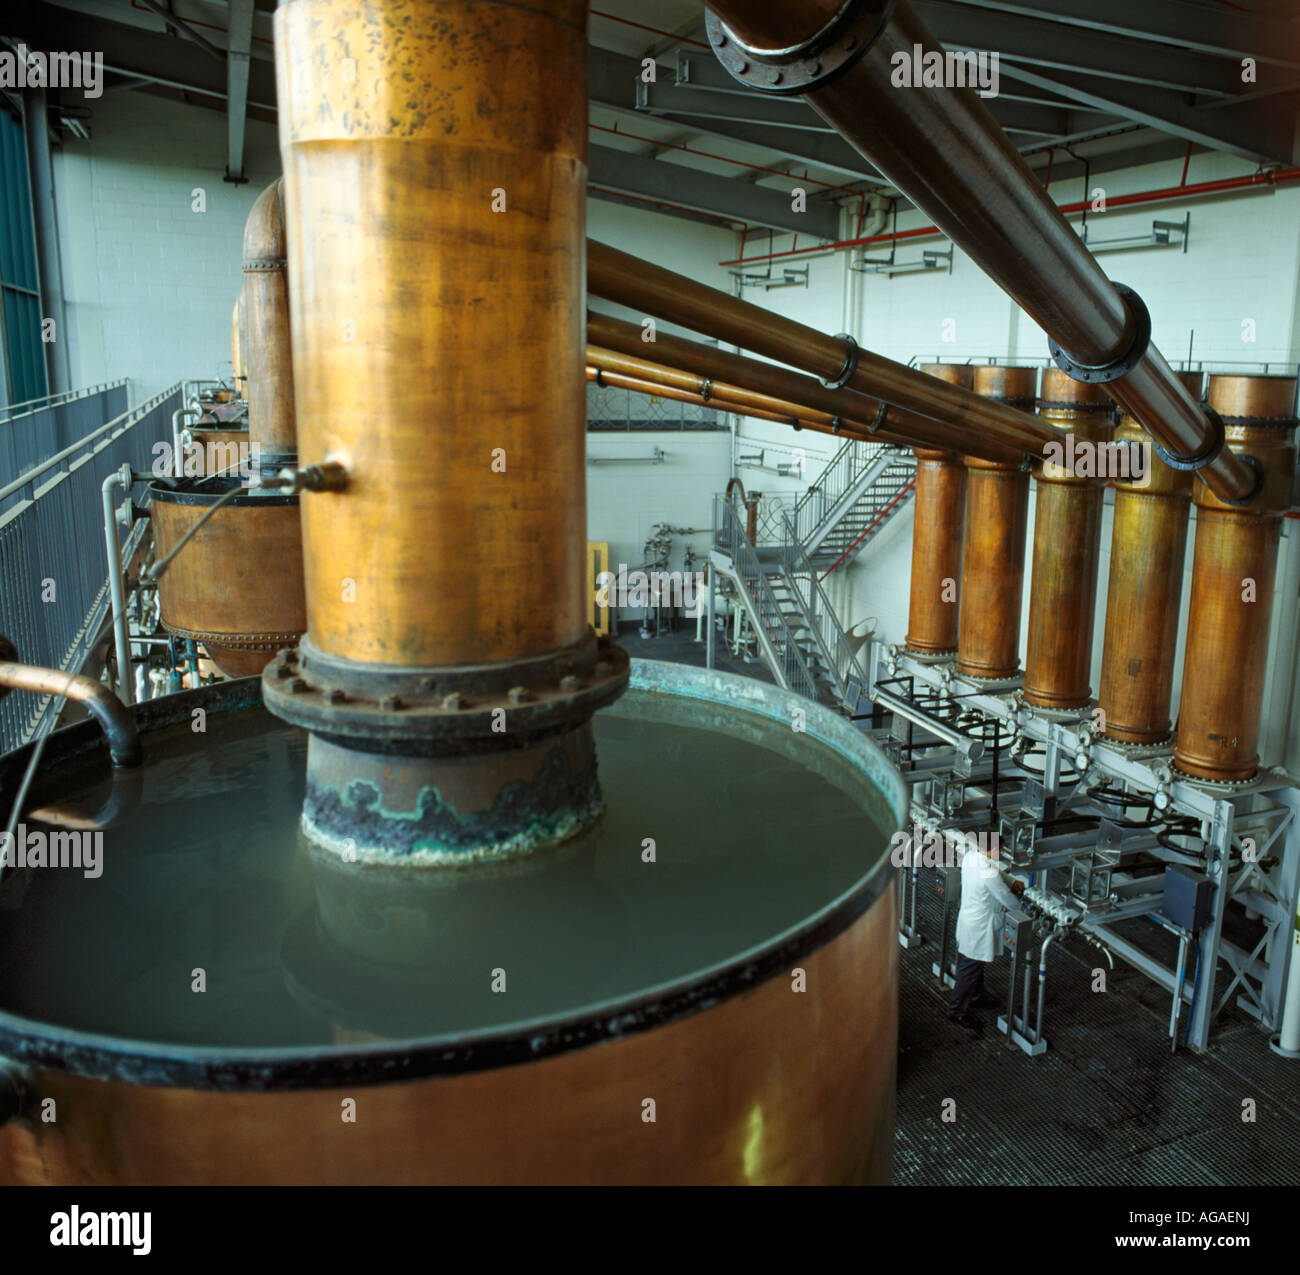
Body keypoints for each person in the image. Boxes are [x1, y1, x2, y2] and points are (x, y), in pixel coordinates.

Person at [948, 833, 1024, 1034]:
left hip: (969, 921)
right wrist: (1025, 910)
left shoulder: (973, 856)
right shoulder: (987, 872)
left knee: (974, 964)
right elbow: (1005, 898)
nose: (1000, 853)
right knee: (969, 968)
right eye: (999, 850)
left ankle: (976, 997)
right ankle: (956, 1012)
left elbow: (995, 872)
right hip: (979, 927)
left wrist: (1011, 880)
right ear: (991, 849)